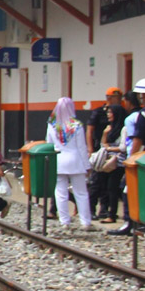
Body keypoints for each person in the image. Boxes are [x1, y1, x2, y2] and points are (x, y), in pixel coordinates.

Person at [46, 96, 94, 231]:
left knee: (60, 192)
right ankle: (85, 222)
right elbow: (82, 147)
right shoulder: (77, 125)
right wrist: (87, 165)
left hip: (58, 161)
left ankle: (64, 221)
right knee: (81, 192)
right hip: (75, 161)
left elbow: (49, 144)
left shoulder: (51, 125)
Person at [89, 87, 128, 222]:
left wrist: (109, 148)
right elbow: (99, 140)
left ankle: (110, 213)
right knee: (99, 185)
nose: (108, 114)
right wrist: (104, 136)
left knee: (112, 188)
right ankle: (95, 210)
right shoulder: (99, 114)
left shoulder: (123, 127)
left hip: (116, 162)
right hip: (105, 160)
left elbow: (123, 147)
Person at [108, 89, 143, 236]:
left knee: (127, 188)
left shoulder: (134, 118)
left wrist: (131, 158)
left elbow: (135, 140)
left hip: (137, 158)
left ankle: (129, 222)